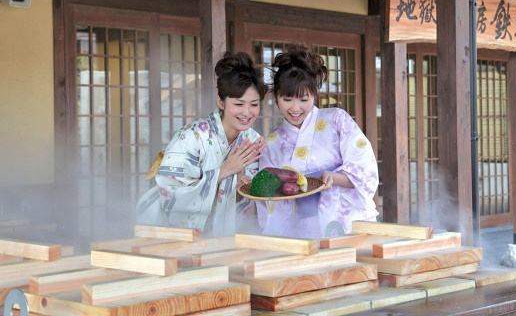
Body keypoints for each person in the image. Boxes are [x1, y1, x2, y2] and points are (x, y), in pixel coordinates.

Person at [137, 52, 265, 236]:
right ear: (221, 101)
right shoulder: (191, 136)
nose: (247, 112)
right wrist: (224, 171)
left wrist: (241, 186)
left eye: (254, 104)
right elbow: (169, 193)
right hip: (173, 234)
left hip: (224, 237)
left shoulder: (252, 141)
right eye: (239, 104)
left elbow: (248, 205)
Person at [256, 50, 379, 238]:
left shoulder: (337, 120)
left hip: (348, 224)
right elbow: (267, 199)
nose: (295, 108)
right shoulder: (273, 143)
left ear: (314, 95)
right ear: (276, 97)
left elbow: (365, 170)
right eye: (287, 99)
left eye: (303, 99)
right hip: (303, 233)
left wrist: (333, 178)